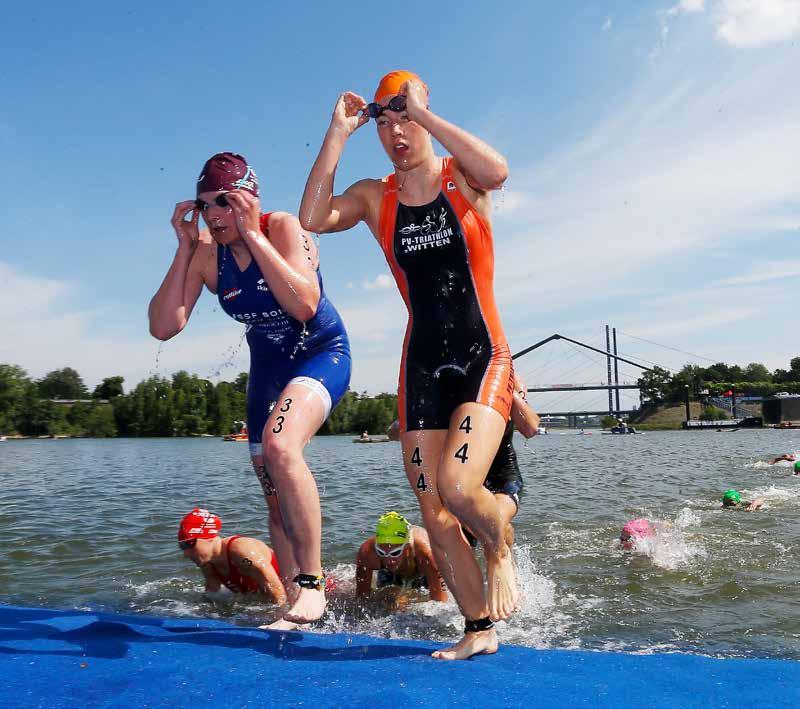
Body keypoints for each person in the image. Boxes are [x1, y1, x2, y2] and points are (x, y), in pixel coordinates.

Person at [301, 70, 517, 659]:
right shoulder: (377, 196)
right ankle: (478, 630)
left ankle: (499, 541)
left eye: (406, 118)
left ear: (422, 115)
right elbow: (313, 219)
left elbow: (499, 170)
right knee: (435, 509)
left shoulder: (462, 177)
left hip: (484, 354)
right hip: (422, 363)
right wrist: (339, 133)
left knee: (457, 484)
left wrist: (422, 113)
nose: (396, 132)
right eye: (386, 122)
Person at [149, 152, 351, 625]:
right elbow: (163, 326)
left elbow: (304, 306)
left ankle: (313, 584)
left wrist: (254, 233)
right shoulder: (205, 254)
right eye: (205, 206)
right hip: (268, 372)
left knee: (282, 447)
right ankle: (293, 604)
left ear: (250, 198)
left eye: (225, 202)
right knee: (274, 500)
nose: (215, 215)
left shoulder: (279, 227)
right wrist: (184, 247)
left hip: (322, 353)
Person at [178, 508, 286, 603]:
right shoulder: (208, 563)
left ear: (209, 537)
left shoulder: (242, 550)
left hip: (291, 590)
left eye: (189, 544)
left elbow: (278, 592)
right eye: (182, 546)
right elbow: (212, 595)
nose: (186, 553)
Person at [355, 512, 448, 605]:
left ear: (407, 547)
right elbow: (361, 599)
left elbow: (440, 603)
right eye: (381, 553)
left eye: (395, 553)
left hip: (422, 573)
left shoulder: (426, 555)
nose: (389, 560)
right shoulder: (367, 554)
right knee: (388, 600)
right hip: (392, 574)